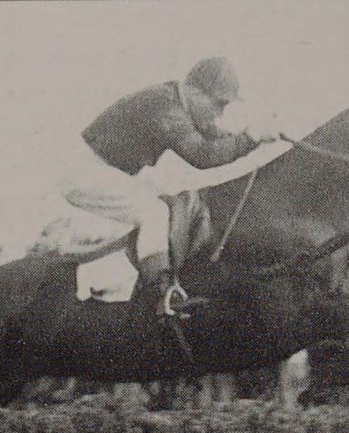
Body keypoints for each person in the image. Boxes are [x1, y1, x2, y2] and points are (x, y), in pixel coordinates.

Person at [61, 57, 279, 317]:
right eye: (219, 104)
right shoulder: (165, 106)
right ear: (194, 91)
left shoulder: (174, 101)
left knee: (155, 206)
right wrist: (250, 138)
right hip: (84, 171)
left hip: (98, 168)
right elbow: (202, 154)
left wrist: (248, 135)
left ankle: (119, 282)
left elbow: (210, 132)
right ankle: (161, 294)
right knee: (153, 212)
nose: (219, 113)